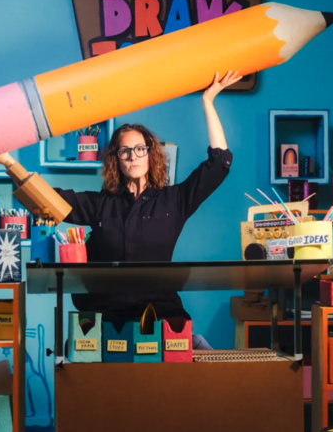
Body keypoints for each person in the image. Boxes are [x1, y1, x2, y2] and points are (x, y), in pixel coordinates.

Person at [53, 69, 241, 326]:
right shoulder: (99, 204)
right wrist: (10, 164)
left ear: (151, 154)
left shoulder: (175, 201)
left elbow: (220, 162)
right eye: (125, 151)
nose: (133, 156)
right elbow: (48, 201)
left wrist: (208, 101)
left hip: (160, 312)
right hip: (106, 316)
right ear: (115, 160)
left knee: (184, 347)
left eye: (140, 149)